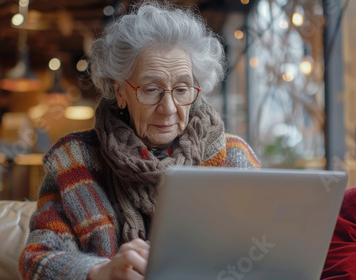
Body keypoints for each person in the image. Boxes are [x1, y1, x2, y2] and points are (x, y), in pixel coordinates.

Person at [18, 2, 260, 279]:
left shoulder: (234, 157)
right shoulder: (73, 160)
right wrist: (100, 272)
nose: (168, 107)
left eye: (181, 89)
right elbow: (36, 260)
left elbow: (266, 249)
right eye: (151, 89)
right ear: (120, 91)